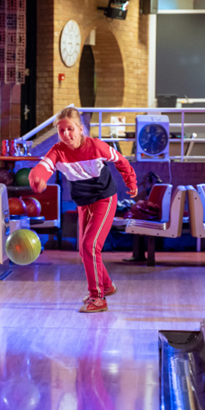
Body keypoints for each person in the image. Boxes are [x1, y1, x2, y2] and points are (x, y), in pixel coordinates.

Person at [29, 107, 137, 313]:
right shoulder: (58, 151)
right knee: (84, 249)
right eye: (61, 131)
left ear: (80, 129)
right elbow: (43, 166)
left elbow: (121, 161)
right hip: (83, 202)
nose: (66, 134)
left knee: (90, 245)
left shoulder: (97, 147)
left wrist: (131, 181)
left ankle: (98, 298)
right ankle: (106, 285)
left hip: (104, 199)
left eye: (70, 129)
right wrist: (37, 178)